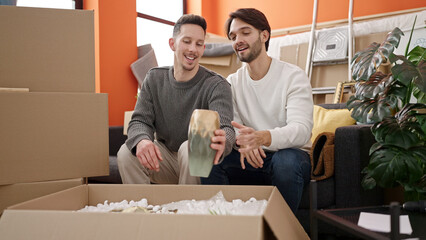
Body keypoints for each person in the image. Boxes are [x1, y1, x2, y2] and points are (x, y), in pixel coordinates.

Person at [201, 8, 313, 213]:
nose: (238, 40)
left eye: (245, 32)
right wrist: (244, 142)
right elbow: (231, 125)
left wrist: (262, 138)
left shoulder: (293, 76)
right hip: (248, 157)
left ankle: (280, 231)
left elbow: (301, 129)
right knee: (210, 157)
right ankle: (220, 226)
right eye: (233, 36)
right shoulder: (231, 83)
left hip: (288, 157)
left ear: (264, 35)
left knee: (286, 162)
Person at [117, 14, 235, 185]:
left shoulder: (217, 85)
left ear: (203, 49)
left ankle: (189, 209)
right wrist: (142, 140)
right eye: (187, 41)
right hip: (165, 160)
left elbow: (226, 128)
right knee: (126, 153)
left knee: (188, 148)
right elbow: (139, 121)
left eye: (199, 44)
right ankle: (142, 208)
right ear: (173, 44)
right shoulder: (154, 78)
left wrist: (226, 139)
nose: (193, 49)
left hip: (199, 163)